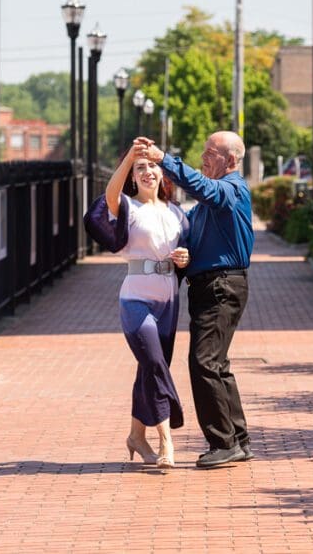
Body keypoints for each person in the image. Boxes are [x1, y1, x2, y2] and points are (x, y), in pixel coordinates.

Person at [133, 132, 254, 469]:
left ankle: (223, 442)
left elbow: (203, 187)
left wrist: (163, 160)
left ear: (229, 160)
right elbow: (194, 245)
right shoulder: (206, 208)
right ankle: (237, 439)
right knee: (216, 364)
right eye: (203, 151)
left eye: (209, 153)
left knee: (203, 362)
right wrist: (184, 257)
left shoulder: (231, 190)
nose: (203, 157)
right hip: (209, 286)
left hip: (222, 286)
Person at [103, 149, 190, 469]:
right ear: (132, 175)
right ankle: (168, 439)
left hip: (168, 301)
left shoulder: (177, 213)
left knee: (149, 370)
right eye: (140, 168)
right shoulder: (127, 206)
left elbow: (187, 252)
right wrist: (127, 158)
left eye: (152, 165)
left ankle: (135, 437)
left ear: (162, 173)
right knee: (155, 364)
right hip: (136, 299)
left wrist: (184, 257)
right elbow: (110, 194)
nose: (147, 171)